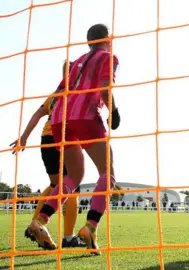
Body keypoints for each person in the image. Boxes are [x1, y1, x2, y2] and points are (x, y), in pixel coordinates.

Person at [26, 23, 121, 254]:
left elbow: (59, 94)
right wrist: (114, 111)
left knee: (73, 177)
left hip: (59, 119)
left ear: (89, 41)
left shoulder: (76, 62)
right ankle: (90, 227)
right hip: (85, 115)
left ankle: (39, 222)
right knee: (107, 174)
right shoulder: (109, 56)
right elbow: (105, 87)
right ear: (108, 38)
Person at [10, 61, 85, 248]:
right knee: (71, 187)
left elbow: (37, 114)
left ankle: (35, 224)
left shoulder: (54, 95)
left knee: (56, 186)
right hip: (63, 140)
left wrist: (24, 137)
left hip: (46, 140)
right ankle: (68, 238)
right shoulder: (78, 93)